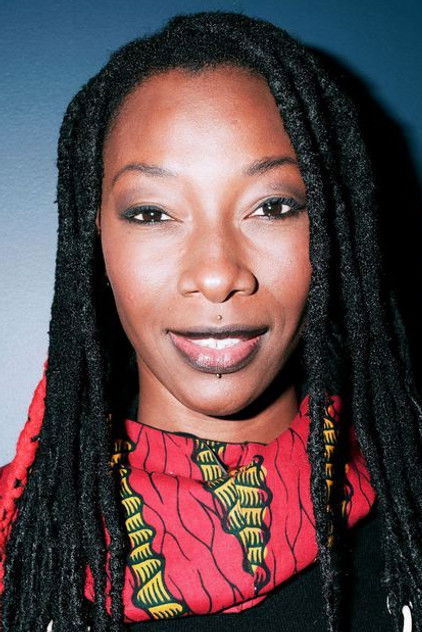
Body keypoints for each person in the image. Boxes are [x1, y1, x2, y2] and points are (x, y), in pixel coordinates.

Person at [0, 10, 420, 632]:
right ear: (95, 242)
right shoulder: (21, 549)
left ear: (332, 230)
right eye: (152, 213)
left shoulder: (409, 509)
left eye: (272, 206)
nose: (218, 274)